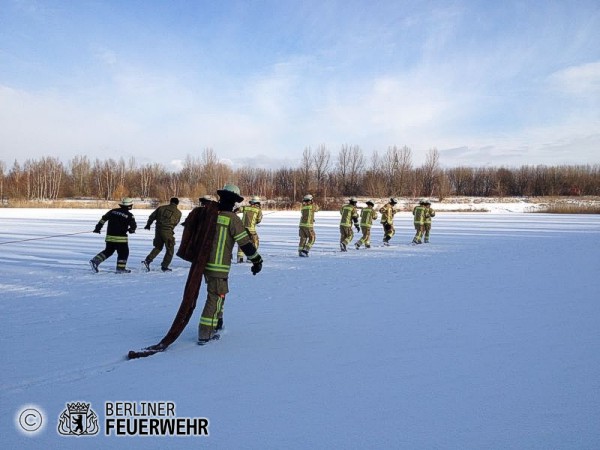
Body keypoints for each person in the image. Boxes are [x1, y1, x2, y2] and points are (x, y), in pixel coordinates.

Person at [197, 184, 263, 345]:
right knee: (215, 297)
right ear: (234, 201)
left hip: (205, 265)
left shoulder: (211, 215)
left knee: (219, 294)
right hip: (218, 267)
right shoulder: (232, 219)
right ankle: (205, 334)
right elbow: (245, 243)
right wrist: (257, 260)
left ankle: (217, 323)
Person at [89, 197, 137, 273]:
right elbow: (133, 226)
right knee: (124, 252)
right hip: (121, 239)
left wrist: (97, 228)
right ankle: (120, 269)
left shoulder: (112, 211)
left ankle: (95, 261)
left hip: (109, 237)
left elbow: (103, 219)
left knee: (108, 251)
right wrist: (131, 230)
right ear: (130, 205)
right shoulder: (129, 215)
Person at [142, 197, 182, 272]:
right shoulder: (178, 213)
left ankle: (148, 260)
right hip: (167, 231)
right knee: (170, 249)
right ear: (177, 203)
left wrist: (148, 225)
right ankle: (165, 266)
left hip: (158, 230)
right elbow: (175, 223)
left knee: (158, 247)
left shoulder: (161, 208)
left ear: (170, 201)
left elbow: (152, 216)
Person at [235, 195, 263, 263]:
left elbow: (236, 210)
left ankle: (240, 258)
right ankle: (250, 257)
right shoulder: (258, 210)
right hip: (251, 230)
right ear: (258, 203)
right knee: (255, 242)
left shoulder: (245, 208)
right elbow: (259, 220)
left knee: (242, 242)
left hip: (243, 229)